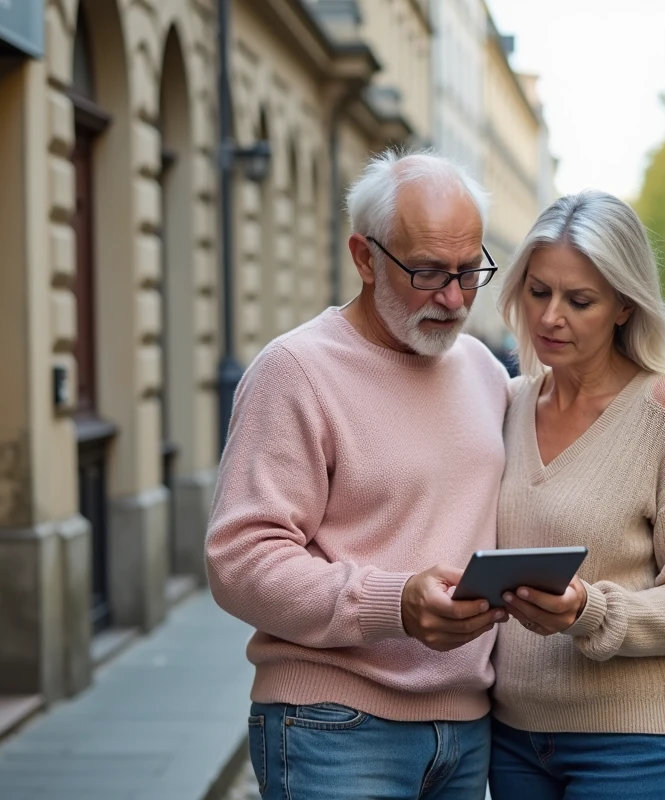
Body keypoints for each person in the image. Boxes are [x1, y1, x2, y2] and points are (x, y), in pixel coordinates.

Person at [205, 152, 512, 799]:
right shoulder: (295, 369)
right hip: (332, 726)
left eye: (468, 271)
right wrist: (392, 602)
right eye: (427, 272)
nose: (453, 298)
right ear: (365, 257)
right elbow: (238, 561)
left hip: (468, 728)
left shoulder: (484, 370)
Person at [488, 191, 665, 799]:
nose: (550, 317)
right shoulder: (510, 404)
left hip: (634, 745)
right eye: (538, 291)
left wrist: (586, 611)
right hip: (512, 740)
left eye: (580, 301)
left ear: (624, 306)